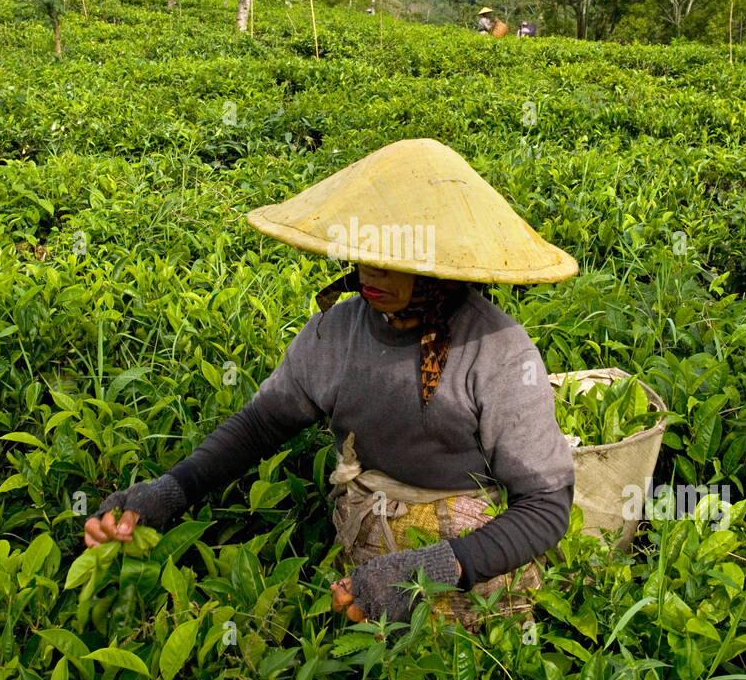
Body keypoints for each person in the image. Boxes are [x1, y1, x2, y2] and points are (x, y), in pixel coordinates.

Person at [83, 139, 578, 629]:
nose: (369, 271)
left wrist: (434, 568)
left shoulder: (499, 350)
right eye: (364, 253)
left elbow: (546, 506)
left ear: (438, 269)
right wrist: (172, 490)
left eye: (392, 259)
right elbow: (260, 426)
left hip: (470, 559)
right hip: (365, 539)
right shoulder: (334, 332)